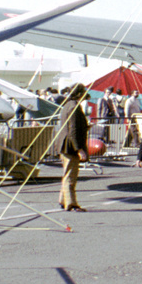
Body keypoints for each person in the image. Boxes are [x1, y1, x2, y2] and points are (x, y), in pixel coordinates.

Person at [53, 83, 90, 212]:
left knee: (66, 174)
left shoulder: (67, 105)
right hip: (70, 146)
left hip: (64, 145)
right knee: (70, 176)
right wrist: (79, 149)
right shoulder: (74, 107)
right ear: (80, 94)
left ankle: (63, 200)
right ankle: (71, 204)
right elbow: (73, 130)